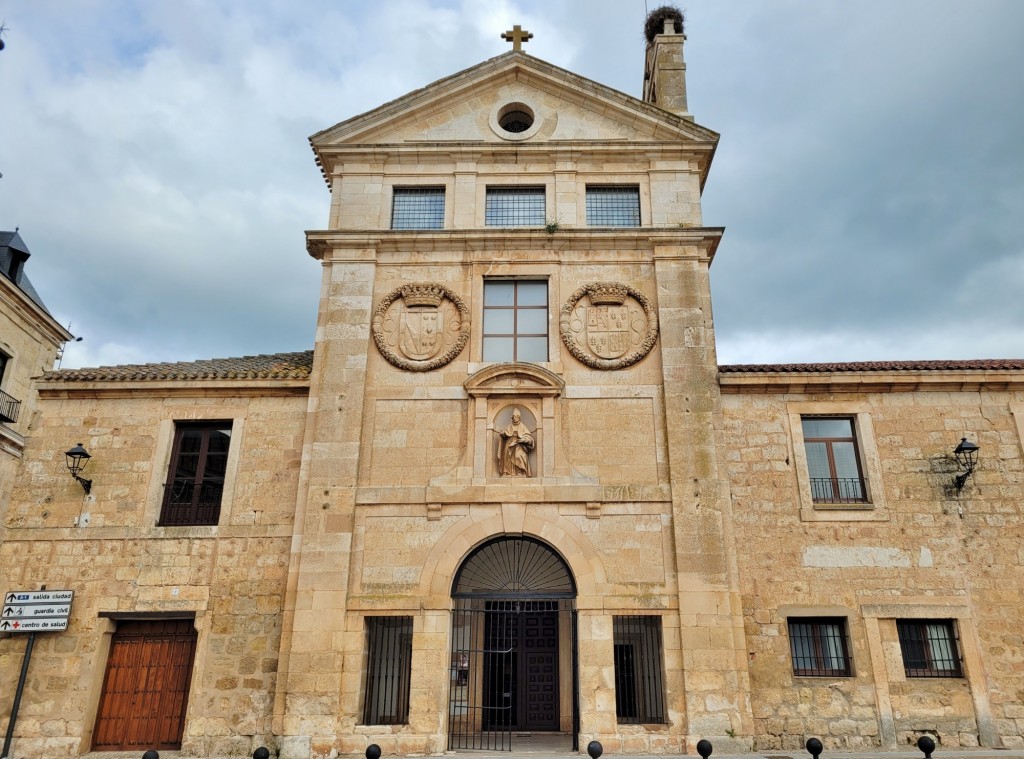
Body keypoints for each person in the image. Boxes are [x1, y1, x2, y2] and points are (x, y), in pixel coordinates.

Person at [497, 408, 534, 477]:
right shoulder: (509, 426)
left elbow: (528, 436)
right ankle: (507, 472)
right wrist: (503, 434)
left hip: (518, 444)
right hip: (509, 443)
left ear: (518, 417)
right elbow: (505, 434)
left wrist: (523, 439)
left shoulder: (522, 426)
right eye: (512, 417)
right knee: (507, 458)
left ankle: (521, 472)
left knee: (519, 456)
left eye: (514, 417)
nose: (513, 418)